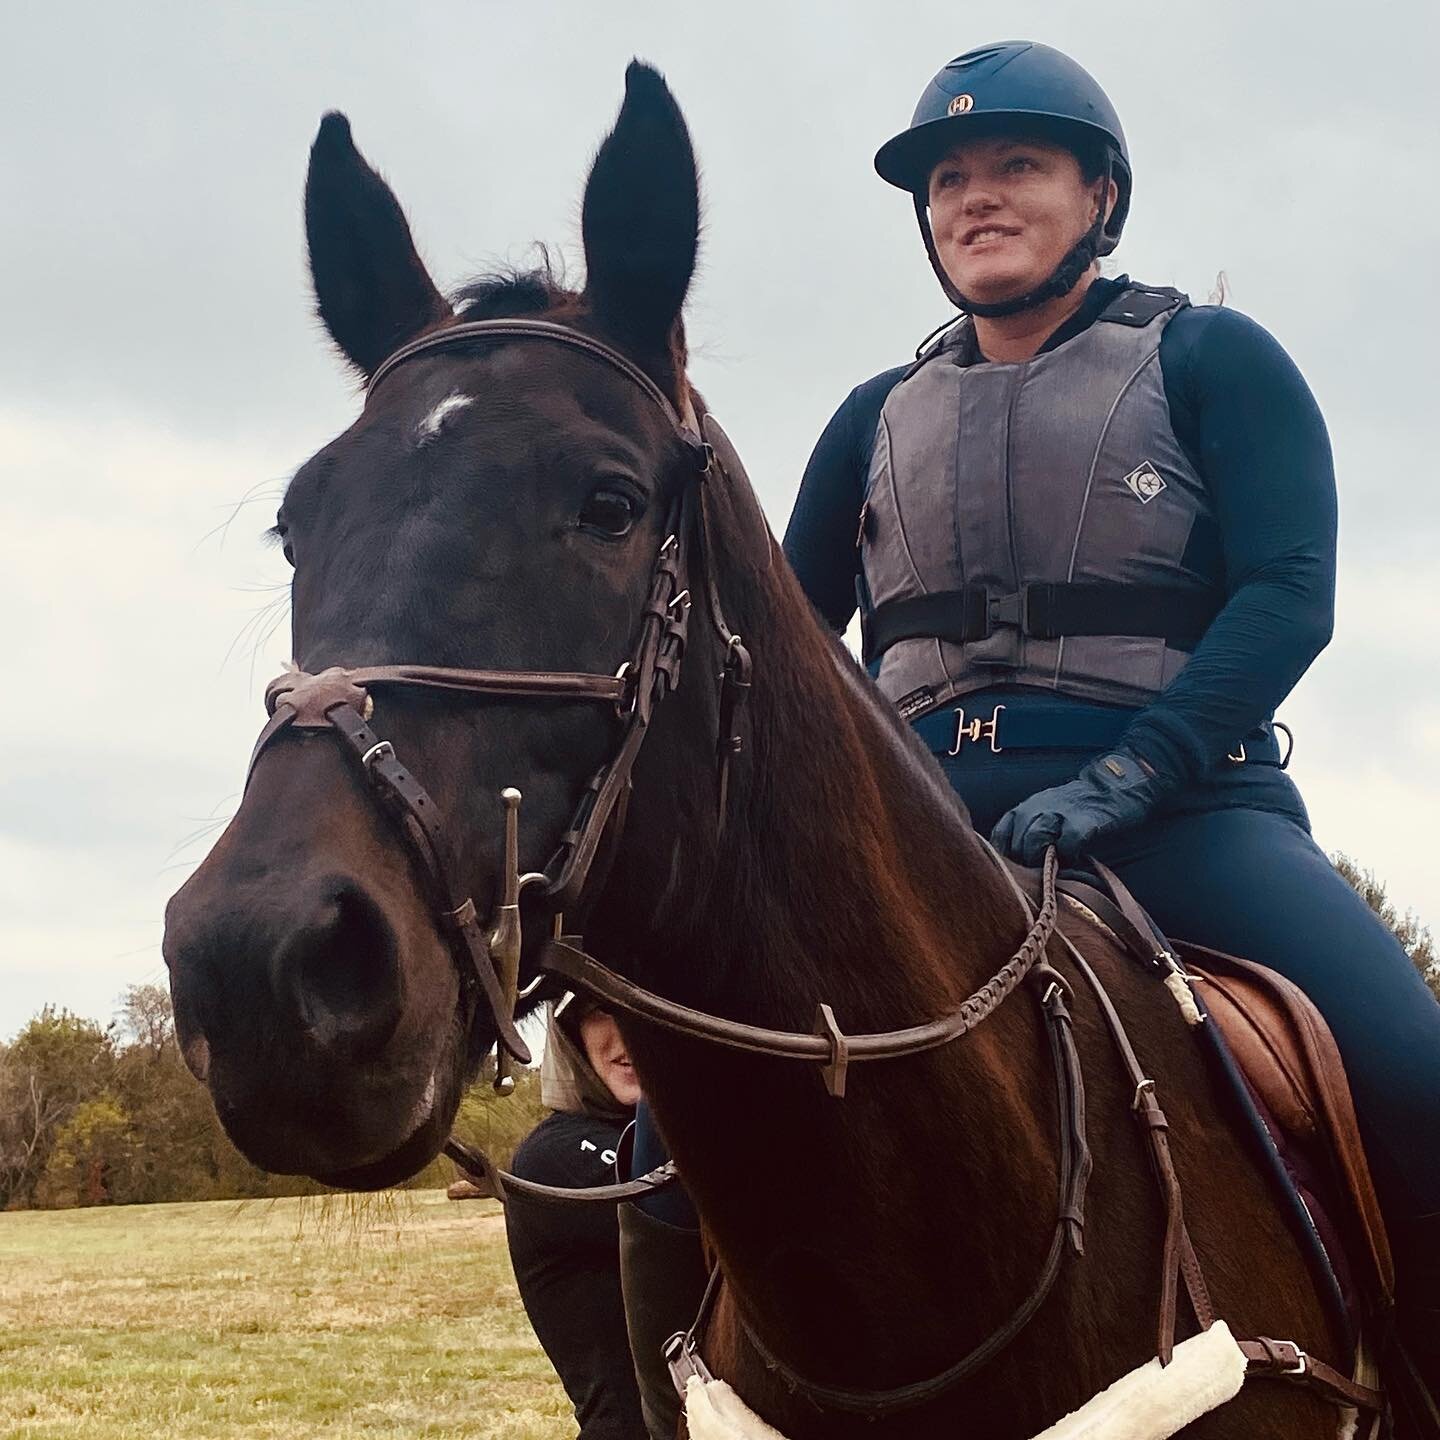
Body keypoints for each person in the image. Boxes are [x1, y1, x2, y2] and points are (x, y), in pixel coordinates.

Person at [781, 39, 1440, 1400]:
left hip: (1188, 816)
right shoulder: (868, 419)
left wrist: (1135, 773)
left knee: (1416, 1074)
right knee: (672, 1124)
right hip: (925, 841)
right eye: (947, 178)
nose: (976, 197)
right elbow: (794, 652)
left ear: (1102, 194)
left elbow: (1290, 593)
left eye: (1017, 164)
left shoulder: (1211, 357)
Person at [503, 996, 646, 1440]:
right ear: (571, 1033)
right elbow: (691, 1198)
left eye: (647, 1008)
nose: (628, 1035)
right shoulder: (549, 1160)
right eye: (600, 1010)